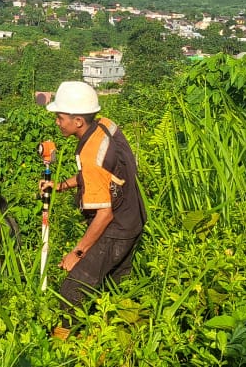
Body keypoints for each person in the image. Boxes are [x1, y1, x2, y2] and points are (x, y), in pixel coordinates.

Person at [38, 81, 147, 340]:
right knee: (116, 287)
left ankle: (61, 345)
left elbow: (104, 213)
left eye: (60, 117)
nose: (57, 122)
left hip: (116, 227)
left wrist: (77, 252)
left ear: (77, 121)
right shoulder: (104, 126)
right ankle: (120, 339)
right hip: (134, 217)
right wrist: (62, 186)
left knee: (71, 290)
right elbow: (100, 174)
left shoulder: (90, 153)